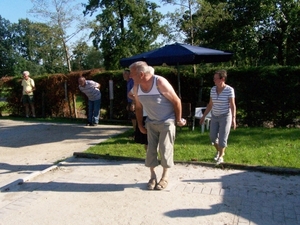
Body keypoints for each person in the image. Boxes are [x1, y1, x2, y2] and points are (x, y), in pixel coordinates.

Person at [129, 61, 186, 191]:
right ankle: (153, 176)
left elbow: (176, 100)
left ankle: (165, 177)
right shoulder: (137, 87)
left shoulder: (159, 82)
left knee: (165, 149)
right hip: (151, 122)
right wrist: (140, 125)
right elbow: (138, 107)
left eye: (132, 74)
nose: (130, 76)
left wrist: (178, 119)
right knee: (150, 150)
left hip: (167, 121)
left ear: (141, 74)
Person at [200, 70, 236, 164]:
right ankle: (219, 151)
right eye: (214, 78)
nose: (214, 80)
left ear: (222, 79)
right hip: (214, 116)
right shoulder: (213, 89)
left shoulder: (229, 90)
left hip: (225, 116)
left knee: (222, 138)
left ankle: (220, 156)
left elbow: (232, 105)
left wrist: (233, 118)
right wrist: (203, 116)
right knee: (212, 137)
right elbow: (210, 104)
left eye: (216, 79)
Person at [123, 70, 136, 138]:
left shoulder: (132, 81)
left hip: (133, 101)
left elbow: (135, 93)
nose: (123, 76)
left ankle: (136, 132)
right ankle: (135, 131)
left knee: (134, 117)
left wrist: (133, 104)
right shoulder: (128, 82)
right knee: (132, 118)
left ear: (129, 75)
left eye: (125, 74)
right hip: (130, 101)